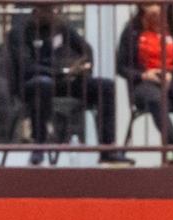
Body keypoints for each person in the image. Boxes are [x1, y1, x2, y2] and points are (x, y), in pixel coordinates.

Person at [8, 4, 133, 165]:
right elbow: (26, 66)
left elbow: (86, 51)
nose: (54, 14)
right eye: (49, 10)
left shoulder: (61, 28)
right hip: (34, 83)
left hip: (63, 82)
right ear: (36, 12)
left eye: (56, 10)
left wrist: (81, 67)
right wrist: (61, 70)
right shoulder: (20, 32)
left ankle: (107, 149)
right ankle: (39, 146)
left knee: (105, 87)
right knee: (42, 84)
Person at [116, 3, 173, 163]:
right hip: (143, 83)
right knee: (155, 97)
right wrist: (143, 75)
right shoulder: (132, 29)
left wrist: (171, 74)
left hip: (171, 79)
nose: (154, 10)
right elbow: (121, 67)